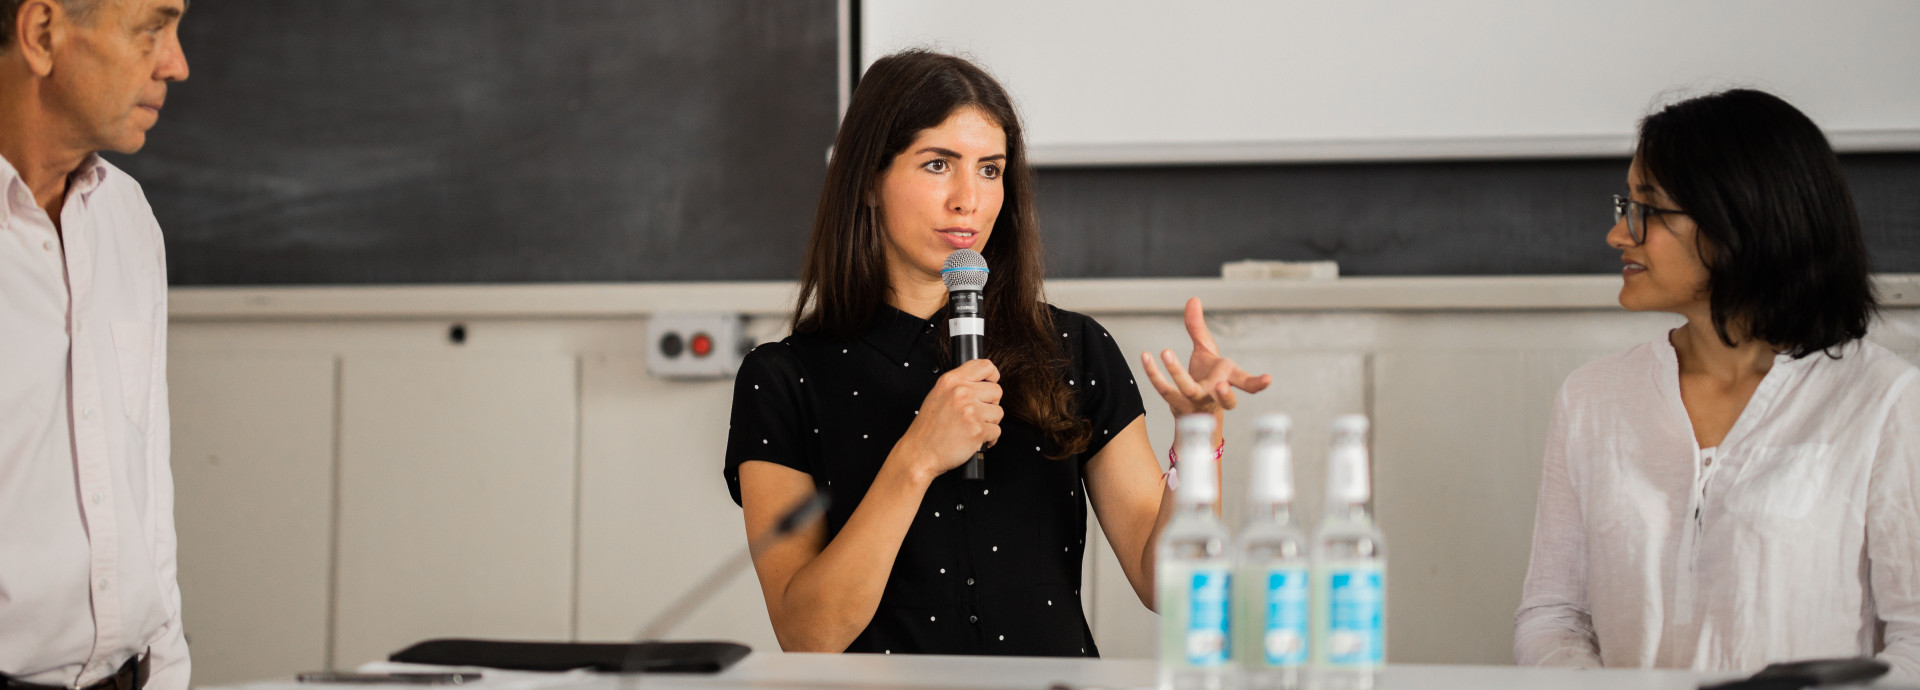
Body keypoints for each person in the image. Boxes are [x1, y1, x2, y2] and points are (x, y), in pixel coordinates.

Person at [721, 49, 1270, 656]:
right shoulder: (782, 378)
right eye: (937, 164)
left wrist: (1198, 437)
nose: (969, 199)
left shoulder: (1073, 347)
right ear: (869, 183)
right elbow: (809, 634)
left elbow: (1173, 590)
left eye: (990, 170)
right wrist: (918, 458)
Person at [1514, 89, 1920, 675]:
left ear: (1738, 219)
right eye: (1624, 204)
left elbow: (1912, 641)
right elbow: (1552, 616)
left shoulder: (1884, 401)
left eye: (1647, 208)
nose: (1619, 234)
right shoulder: (1593, 398)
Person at [0, 0, 191, 688]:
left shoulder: (126, 217)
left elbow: (145, 476)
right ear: (43, 34)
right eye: (152, 28)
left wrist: (166, 667)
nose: (177, 63)